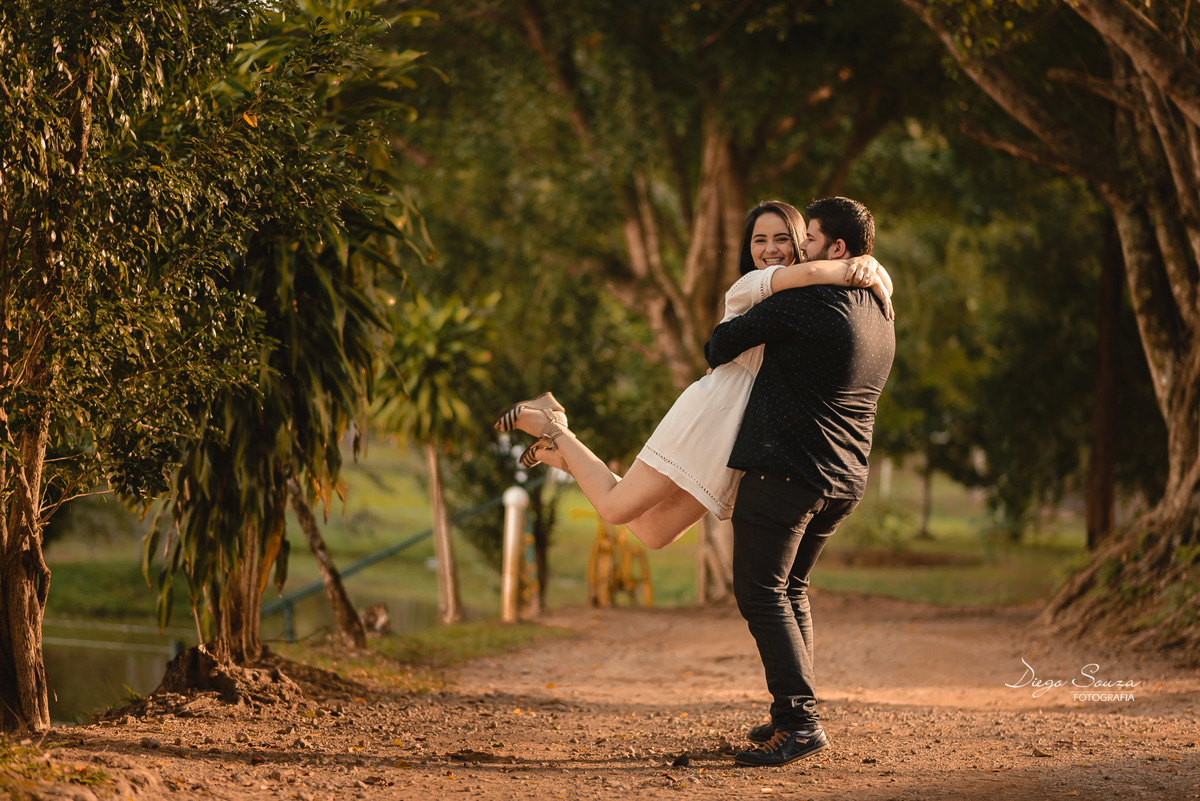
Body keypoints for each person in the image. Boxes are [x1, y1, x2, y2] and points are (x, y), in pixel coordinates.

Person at [493, 200, 893, 551]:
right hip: (711, 416)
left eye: (782, 239)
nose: (771, 249)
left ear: (801, 242)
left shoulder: (811, 300)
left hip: (740, 440)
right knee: (615, 510)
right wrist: (864, 267)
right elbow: (809, 274)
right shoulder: (755, 284)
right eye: (759, 240)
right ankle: (554, 425)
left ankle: (567, 460)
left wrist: (872, 268)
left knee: (654, 532)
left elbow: (828, 284)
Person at [703, 196, 895, 767]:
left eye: (807, 239)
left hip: (786, 472)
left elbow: (718, 346)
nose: (800, 249)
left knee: (760, 593)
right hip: (844, 478)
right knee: (790, 590)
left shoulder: (804, 301)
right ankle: (791, 711)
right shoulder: (880, 308)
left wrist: (766, 289)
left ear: (837, 247)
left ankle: (801, 723)